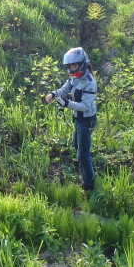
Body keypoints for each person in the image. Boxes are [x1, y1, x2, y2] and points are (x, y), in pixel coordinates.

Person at [45, 47, 97, 191]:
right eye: (70, 66)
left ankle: (89, 187)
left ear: (81, 63)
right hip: (78, 119)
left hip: (86, 121)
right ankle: (86, 175)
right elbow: (65, 88)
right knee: (76, 146)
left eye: (74, 66)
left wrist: (67, 103)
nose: (72, 69)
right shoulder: (74, 77)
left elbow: (85, 106)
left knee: (83, 155)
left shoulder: (90, 82)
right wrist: (53, 94)